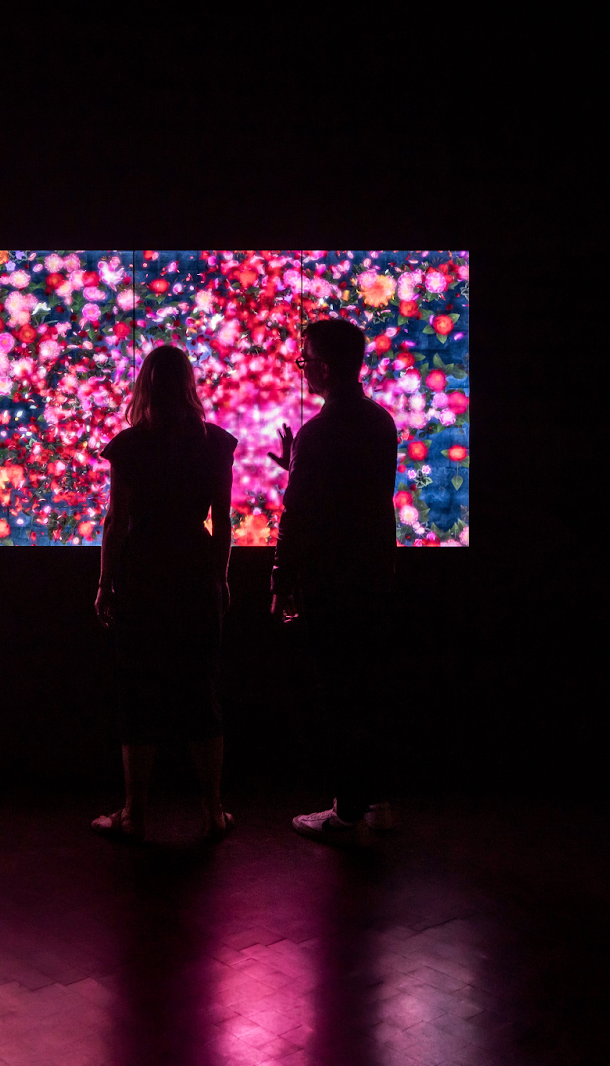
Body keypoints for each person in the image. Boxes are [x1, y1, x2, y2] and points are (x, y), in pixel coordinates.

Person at [92, 345, 237, 844]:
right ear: (190, 384)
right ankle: (213, 812)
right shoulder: (215, 443)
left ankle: (135, 813)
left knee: (140, 694)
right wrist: (219, 577)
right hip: (194, 570)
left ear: (145, 385)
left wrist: (105, 581)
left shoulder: (130, 445)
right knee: (201, 691)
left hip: (143, 571)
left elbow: (117, 521)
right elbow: (222, 521)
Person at [268, 318, 398, 847]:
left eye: (303, 361)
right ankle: (379, 800)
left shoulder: (319, 433)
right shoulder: (380, 422)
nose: (302, 370)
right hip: (375, 574)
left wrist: (282, 578)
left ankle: (346, 810)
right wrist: (297, 464)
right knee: (370, 687)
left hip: (331, 580)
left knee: (340, 691)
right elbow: (358, 499)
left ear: (322, 366)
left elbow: (300, 514)